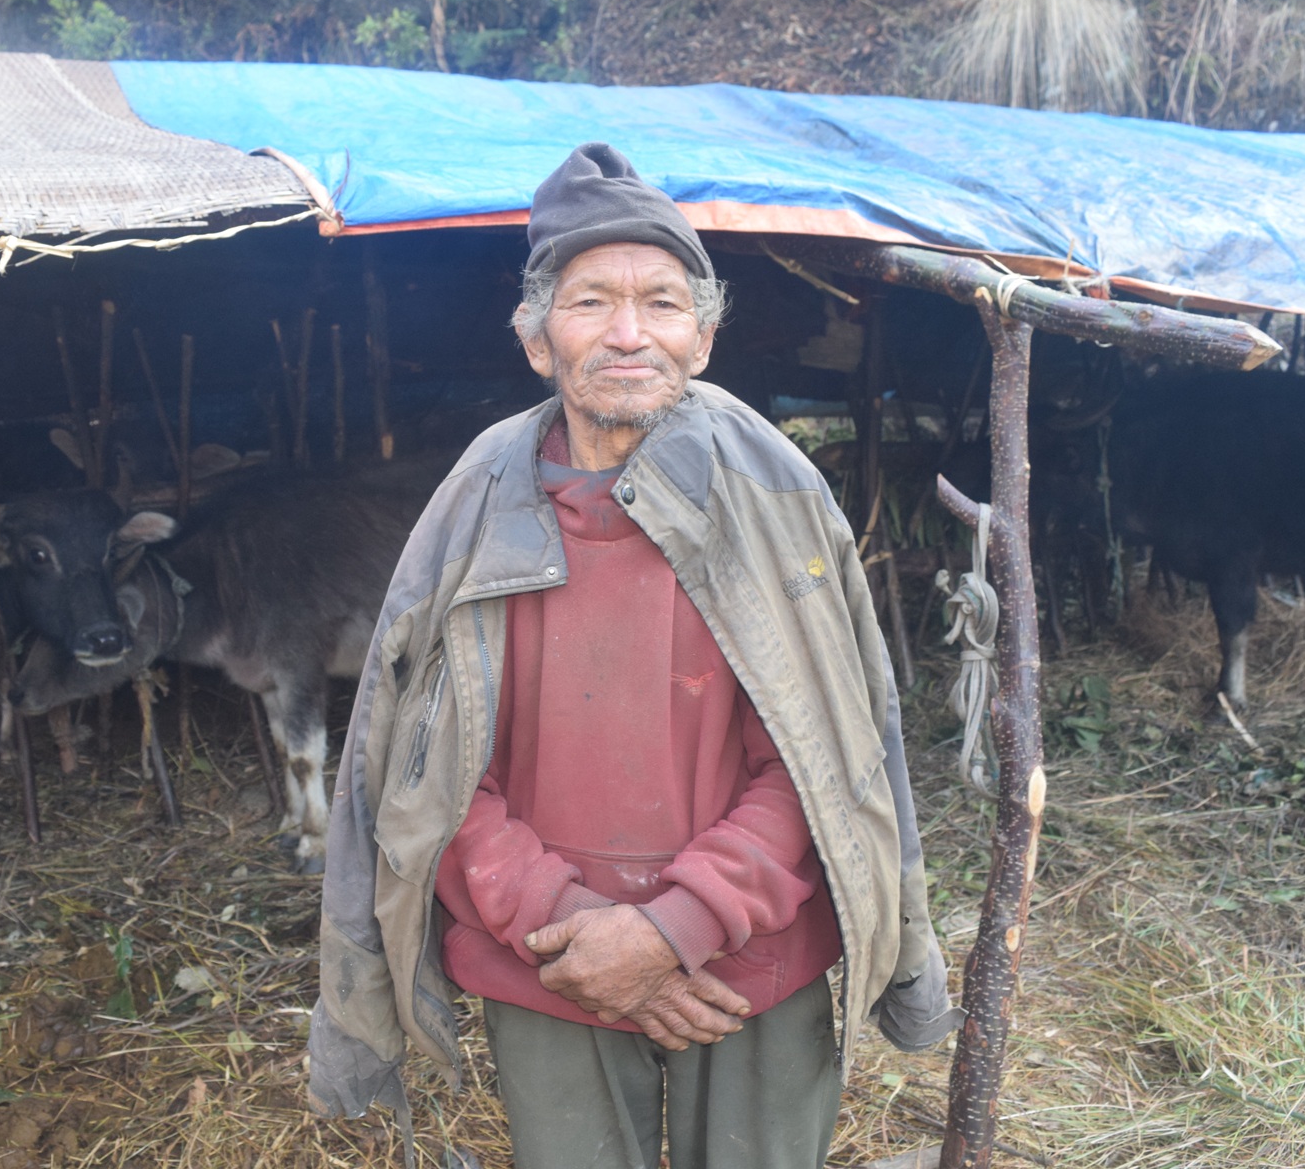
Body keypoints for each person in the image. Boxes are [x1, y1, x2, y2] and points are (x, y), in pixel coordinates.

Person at [309, 142, 960, 1169]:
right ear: (536, 342)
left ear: (702, 338)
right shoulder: (478, 499)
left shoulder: (772, 489)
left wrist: (673, 931)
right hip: (547, 959)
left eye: (660, 303)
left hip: (750, 955)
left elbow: (826, 750)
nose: (627, 334)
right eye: (589, 303)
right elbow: (426, 761)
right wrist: (571, 930)